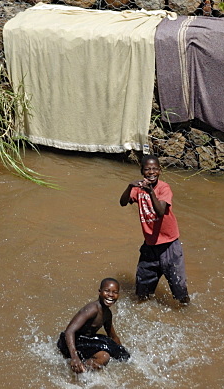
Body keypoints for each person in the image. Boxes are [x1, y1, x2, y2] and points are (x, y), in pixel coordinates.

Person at [119, 154, 190, 305]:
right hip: (150, 245)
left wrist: (150, 191)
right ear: (142, 171)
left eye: (154, 169)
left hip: (169, 245)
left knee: (179, 289)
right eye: (147, 169)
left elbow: (160, 211)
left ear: (160, 170)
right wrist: (130, 186)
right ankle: (144, 311)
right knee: (142, 288)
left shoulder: (164, 188)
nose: (151, 172)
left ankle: (187, 310)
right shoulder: (138, 189)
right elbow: (123, 202)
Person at [57, 278, 131, 373]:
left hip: (86, 340)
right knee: (104, 356)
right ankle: (80, 370)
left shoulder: (107, 313)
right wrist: (74, 357)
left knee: (111, 345)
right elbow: (69, 331)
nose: (111, 295)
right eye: (107, 291)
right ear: (100, 292)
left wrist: (124, 355)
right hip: (70, 342)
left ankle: (84, 367)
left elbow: (112, 336)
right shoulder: (92, 309)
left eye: (115, 292)